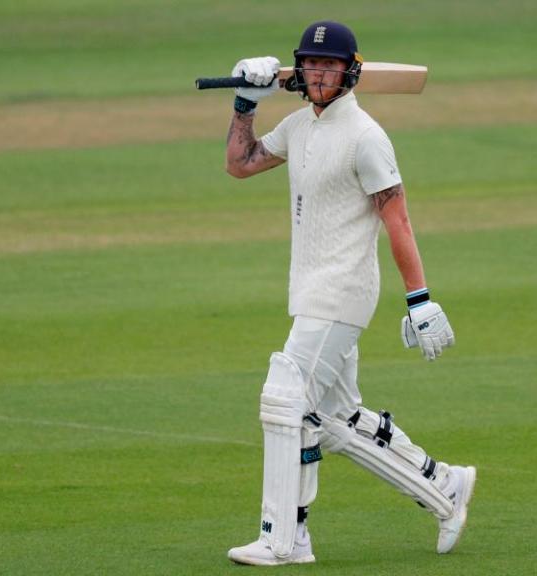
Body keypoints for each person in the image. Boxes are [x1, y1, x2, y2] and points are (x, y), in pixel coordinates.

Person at [223, 21, 476, 566]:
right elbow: (240, 165)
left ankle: (282, 538)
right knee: (332, 421)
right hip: (308, 289)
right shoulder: (297, 126)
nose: (316, 74)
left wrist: (421, 299)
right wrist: (245, 103)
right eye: (309, 65)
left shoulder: (366, 137)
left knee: (286, 397)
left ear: (349, 71)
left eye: (328, 66)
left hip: (342, 291)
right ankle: (444, 487)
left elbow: (398, 218)